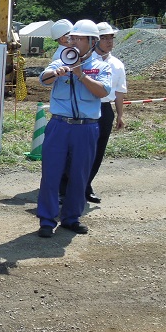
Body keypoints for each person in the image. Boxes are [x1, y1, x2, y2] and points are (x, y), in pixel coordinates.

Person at [36, 20, 112, 238]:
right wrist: (58, 73)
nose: (75, 42)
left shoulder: (101, 65)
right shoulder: (60, 59)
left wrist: (81, 75)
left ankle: (71, 217)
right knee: (51, 173)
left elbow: (102, 91)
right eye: (73, 38)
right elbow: (44, 79)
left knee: (80, 174)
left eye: (79, 38)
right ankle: (47, 219)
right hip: (59, 125)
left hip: (86, 128)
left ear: (91, 41)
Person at [85, 23, 127, 203]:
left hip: (105, 109)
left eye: (111, 38)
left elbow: (119, 92)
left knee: (98, 150)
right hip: (87, 107)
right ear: (95, 40)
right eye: (104, 38)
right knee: (81, 149)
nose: (109, 41)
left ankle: (86, 185)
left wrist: (120, 115)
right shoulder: (86, 60)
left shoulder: (117, 64)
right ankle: (67, 186)